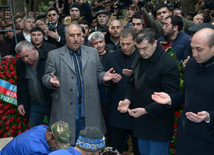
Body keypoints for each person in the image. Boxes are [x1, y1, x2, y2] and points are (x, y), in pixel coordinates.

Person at [42, 24, 119, 146]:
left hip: (89, 110)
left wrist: (104, 77)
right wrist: (51, 81)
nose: (76, 38)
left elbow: (98, 73)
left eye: (78, 35)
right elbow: (46, 77)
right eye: (72, 35)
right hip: (65, 110)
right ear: (66, 36)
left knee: (89, 146)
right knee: (66, 147)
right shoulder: (54, 55)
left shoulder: (92, 52)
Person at [151, 28, 214, 155]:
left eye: (199, 49)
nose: (194, 53)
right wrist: (171, 99)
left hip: (209, 138)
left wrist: (209, 116)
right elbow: (187, 93)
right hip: (186, 134)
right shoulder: (191, 64)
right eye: (192, 48)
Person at [118, 28, 180, 155]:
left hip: (159, 123)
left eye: (145, 48)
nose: (142, 52)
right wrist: (127, 100)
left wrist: (145, 110)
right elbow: (132, 83)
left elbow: (170, 98)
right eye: (139, 48)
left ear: (155, 43)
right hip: (141, 122)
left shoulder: (168, 63)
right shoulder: (139, 59)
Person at [105, 28, 140, 154]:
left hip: (136, 107)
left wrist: (135, 76)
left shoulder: (142, 56)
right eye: (122, 43)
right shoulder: (112, 56)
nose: (125, 47)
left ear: (135, 42)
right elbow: (106, 77)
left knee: (138, 148)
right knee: (115, 146)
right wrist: (110, 80)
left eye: (128, 44)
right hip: (117, 107)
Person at [16, 41, 53, 128]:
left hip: (51, 102)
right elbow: (20, 83)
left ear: (33, 49)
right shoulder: (20, 63)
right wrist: (20, 103)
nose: (25, 60)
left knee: (57, 130)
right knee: (34, 131)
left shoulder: (48, 56)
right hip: (34, 104)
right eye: (22, 57)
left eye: (27, 56)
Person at [0, 121, 72, 155]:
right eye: (56, 144)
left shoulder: (44, 129)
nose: (58, 148)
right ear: (49, 135)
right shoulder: (34, 148)